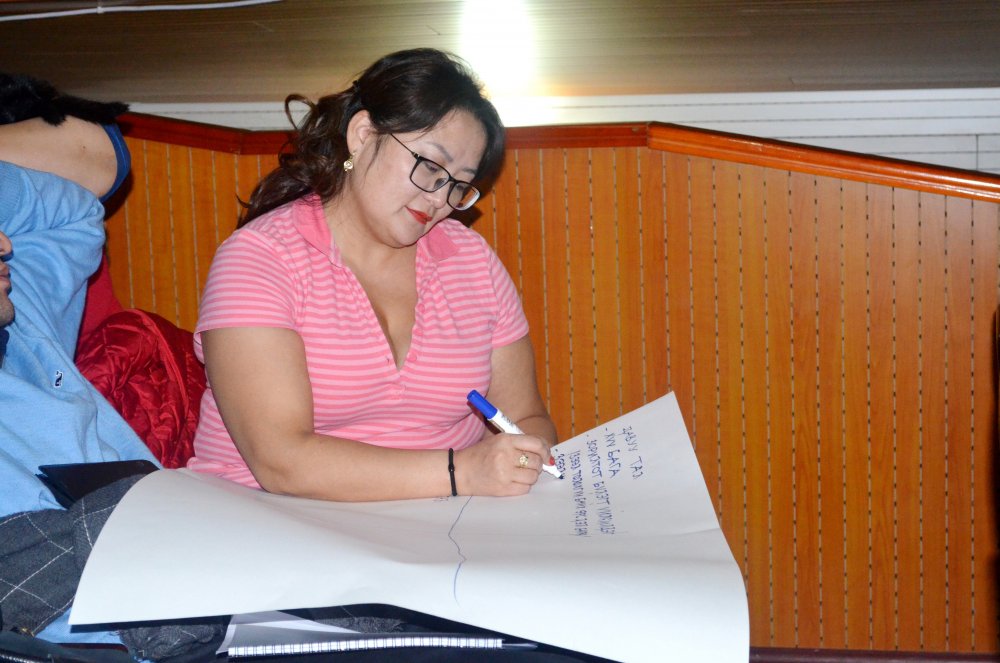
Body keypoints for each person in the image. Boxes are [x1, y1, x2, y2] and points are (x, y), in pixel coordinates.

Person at [187, 48, 558, 500]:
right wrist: (461, 472)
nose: (439, 198)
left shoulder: (473, 263)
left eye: (458, 184)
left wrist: (522, 458)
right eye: (430, 167)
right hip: (270, 515)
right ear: (362, 135)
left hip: (441, 521)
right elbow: (281, 462)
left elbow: (526, 418)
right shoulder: (260, 259)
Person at [0, 111, 160, 647]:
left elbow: (83, 196)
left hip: (168, 567)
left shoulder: (21, 316)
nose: (5, 245)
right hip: (77, 629)